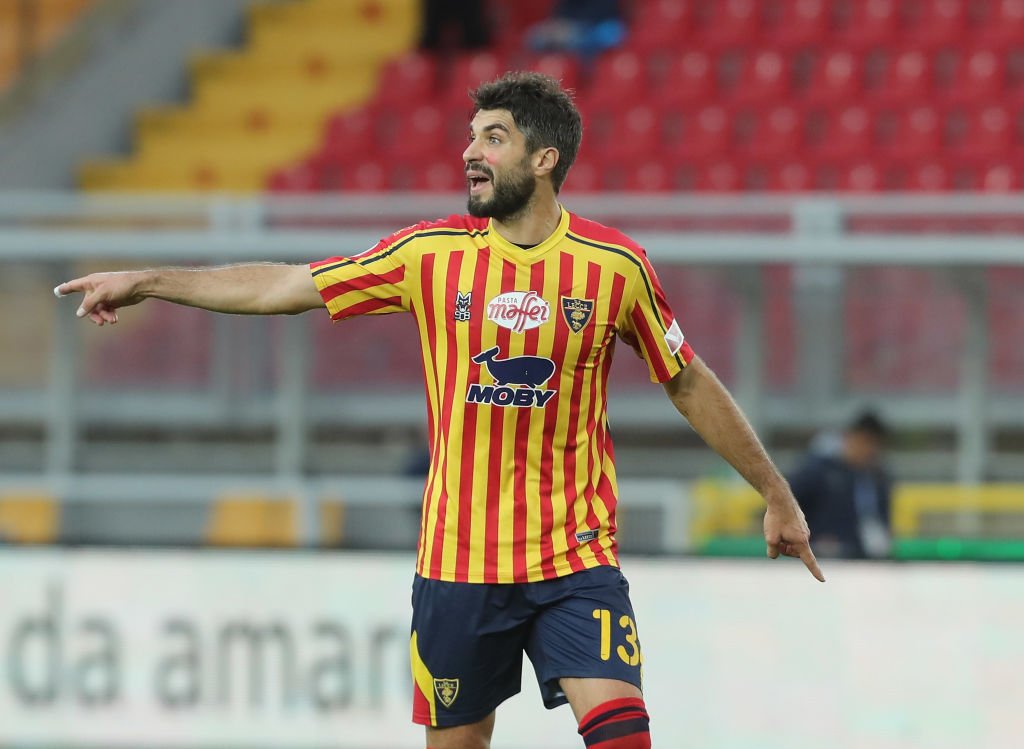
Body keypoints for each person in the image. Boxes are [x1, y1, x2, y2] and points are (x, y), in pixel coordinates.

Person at [56, 72, 823, 749]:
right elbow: (283, 286)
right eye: (470, 136)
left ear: (544, 158)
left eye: (493, 137)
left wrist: (775, 491)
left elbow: (686, 380)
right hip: (458, 566)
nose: (469, 152)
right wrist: (149, 280)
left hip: (574, 559)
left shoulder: (614, 267)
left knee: (624, 734)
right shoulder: (429, 254)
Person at [789, 409, 893, 560]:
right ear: (848, 438)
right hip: (824, 558)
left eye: (874, 445)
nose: (869, 450)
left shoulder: (878, 479)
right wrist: (812, 538)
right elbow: (786, 504)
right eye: (864, 442)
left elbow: (880, 522)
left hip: (865, 558)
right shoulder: (819, 471)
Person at [526, 0, 626, 59]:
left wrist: (572, 29)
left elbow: (603, 12)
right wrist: (557, 27)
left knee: (608, 35)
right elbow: (559, 13)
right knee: (536, 36)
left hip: (600, 26)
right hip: (570, 29)